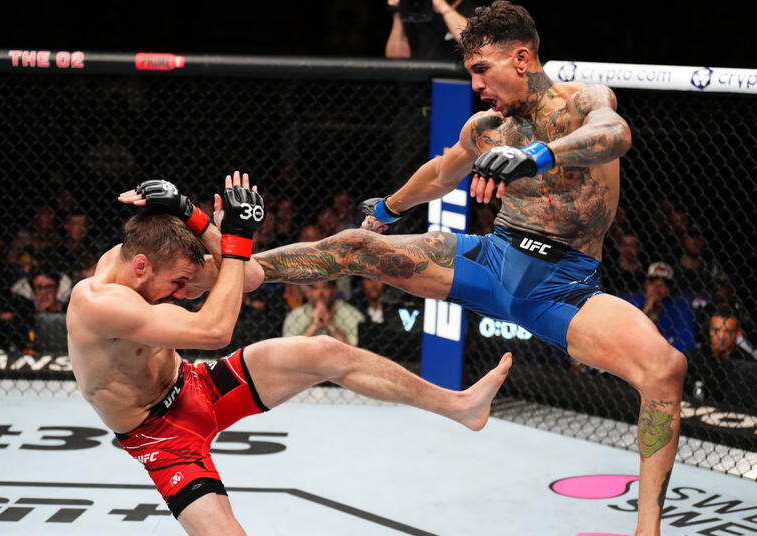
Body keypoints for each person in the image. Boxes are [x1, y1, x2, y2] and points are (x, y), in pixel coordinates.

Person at [251, 3, 685, 534]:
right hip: (493, 259)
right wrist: (388, 209)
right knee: (353, 245)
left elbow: (615, 134)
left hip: (562, 288)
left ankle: (647, 529)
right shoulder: (487, 126)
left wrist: (538, 157)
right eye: (471, 72)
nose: (476, 84)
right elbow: (439, 173)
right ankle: (238, 272)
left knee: (664, 370)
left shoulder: (582, 101)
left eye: (483, 70)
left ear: (521, 58)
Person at [69, 173, 512, 535]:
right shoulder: (99, 302)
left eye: (186, 282)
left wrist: (197, 217)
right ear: (141, 265)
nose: (182, 293)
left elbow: (250, 274)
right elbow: (215, 329)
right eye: (178, 284)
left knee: (325, 351)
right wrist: (235, 238)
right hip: (160, 435)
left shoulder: (156, 262)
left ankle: (459, 405)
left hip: (198, 386)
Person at [685, 307, 757, 408]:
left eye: (728, 331)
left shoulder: (747, 364)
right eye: (716, 330)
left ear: (737, 334)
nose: (721, 337)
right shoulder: (694, 358)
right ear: (709, 331)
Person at [620, 262, 695, 354]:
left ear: (668, 289)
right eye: (653, 283)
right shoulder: (634, 302)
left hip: (666, 359)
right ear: (646, 285)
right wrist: (646, 309)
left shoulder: (679, 307)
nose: (657, 289)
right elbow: (624, 335)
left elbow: (686, 342)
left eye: (662, 285)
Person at [385, 0, 476, 61]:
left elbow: (472, 43)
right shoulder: (415, 8)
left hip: (453, 83)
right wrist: (398, 12)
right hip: (417, 84)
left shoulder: (470, 9)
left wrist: (442, 6)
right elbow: (395, 58)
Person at [282, 280, 365, 346]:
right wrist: (313, 326)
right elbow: (289, 352)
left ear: (335, 290)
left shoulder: (352, 314)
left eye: (325, 288)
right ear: (309, 292)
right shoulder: (295, 315)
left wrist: (331, 324)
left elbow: (356, 353)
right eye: (315, 288)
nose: (320, 293)